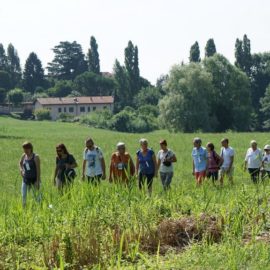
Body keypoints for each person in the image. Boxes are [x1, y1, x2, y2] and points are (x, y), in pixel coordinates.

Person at [19, 142, 41, 207]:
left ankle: (39, 209)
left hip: (34, 180)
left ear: (30, 148)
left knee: (36, 197)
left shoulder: (36, 157)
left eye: (26, 149)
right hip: (25, 179)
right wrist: (21, 170)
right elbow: (20, 163)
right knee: (23, 195)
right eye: (24, 149)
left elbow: (38, 170)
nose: (25, 150)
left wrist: (37, 181)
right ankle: (24, 209)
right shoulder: (23, 156)